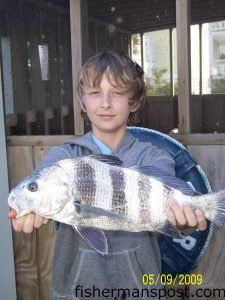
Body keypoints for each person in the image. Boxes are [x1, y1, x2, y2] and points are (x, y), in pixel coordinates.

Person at [9, 50, 207, 300]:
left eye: (117, 93)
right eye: (94, 93)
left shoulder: (154, 157)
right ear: (82, 101)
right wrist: (28, 211)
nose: (105, 103)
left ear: (133, 101)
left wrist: (184, 221)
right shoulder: (63, 158)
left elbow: (169, 211)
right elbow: (39, 185)